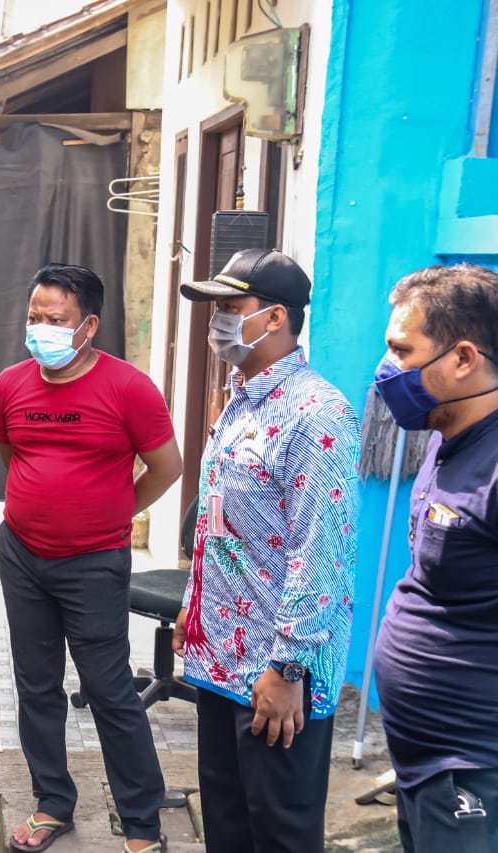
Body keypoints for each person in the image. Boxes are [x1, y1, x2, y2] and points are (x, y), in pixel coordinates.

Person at [173, 249, 361, 853]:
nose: (217, 322)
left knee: (277, 833)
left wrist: (289, 668)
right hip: (221, 655)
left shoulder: (316, 412)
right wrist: (192, 604)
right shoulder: (241, 400)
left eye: (231, 307)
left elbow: (321, 551)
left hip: (278, 672)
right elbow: (219, 521)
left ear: (275, 316)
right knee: (227, 826)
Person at [0, 264, 181, 853]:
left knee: (108, 688)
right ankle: (53, 803)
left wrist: (110, 512)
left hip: (94, 562)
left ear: (89, 325)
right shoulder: (11, 385)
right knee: (36, 685)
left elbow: (167, 468)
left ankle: (142, 823)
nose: (40, 328)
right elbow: (9, 454)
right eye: (34, 317)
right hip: (22, 556)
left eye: (56, 320)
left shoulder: (129, 388)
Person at [371, 264, 498, 851]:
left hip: (474, 769)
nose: (386, 367)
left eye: (401, 349)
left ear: (464, 358)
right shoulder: (448, 438)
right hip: (423, 761)